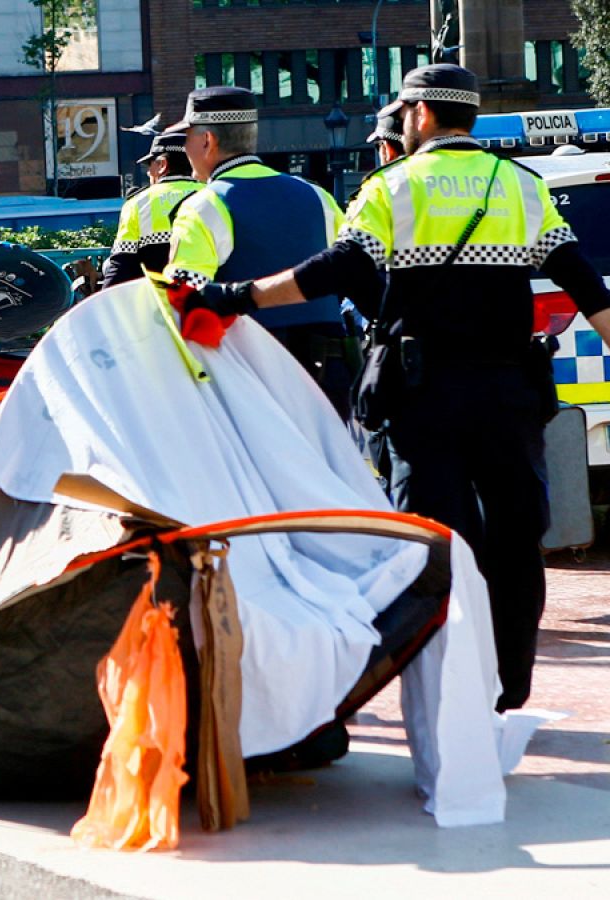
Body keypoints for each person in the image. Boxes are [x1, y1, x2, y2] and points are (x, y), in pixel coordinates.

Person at [181, 64, 610, 712]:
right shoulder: (519, 186)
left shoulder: (393, 187)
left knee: (433, 541)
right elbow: (585, 284)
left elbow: (332, 271)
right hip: (507, 394)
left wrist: (239, 296)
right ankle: (510, 685)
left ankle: (447, 688)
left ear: (420, 115)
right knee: (518, 539)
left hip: (424, 395)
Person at [163, 86, 355, 416]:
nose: (185, 148)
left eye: (187, 137)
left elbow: (183, 304)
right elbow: (351, 273)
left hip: (253, 382)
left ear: (207, 140)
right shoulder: (318, 197)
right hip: (328, 382)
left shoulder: (204, 206)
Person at [101, 132, 202, 290]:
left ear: (162, 165)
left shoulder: (138, 203)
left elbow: (121, 265)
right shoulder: (215, 194)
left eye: (150, 165)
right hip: (212, 303)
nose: (148, 173)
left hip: (160, 303)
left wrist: (102, 306)